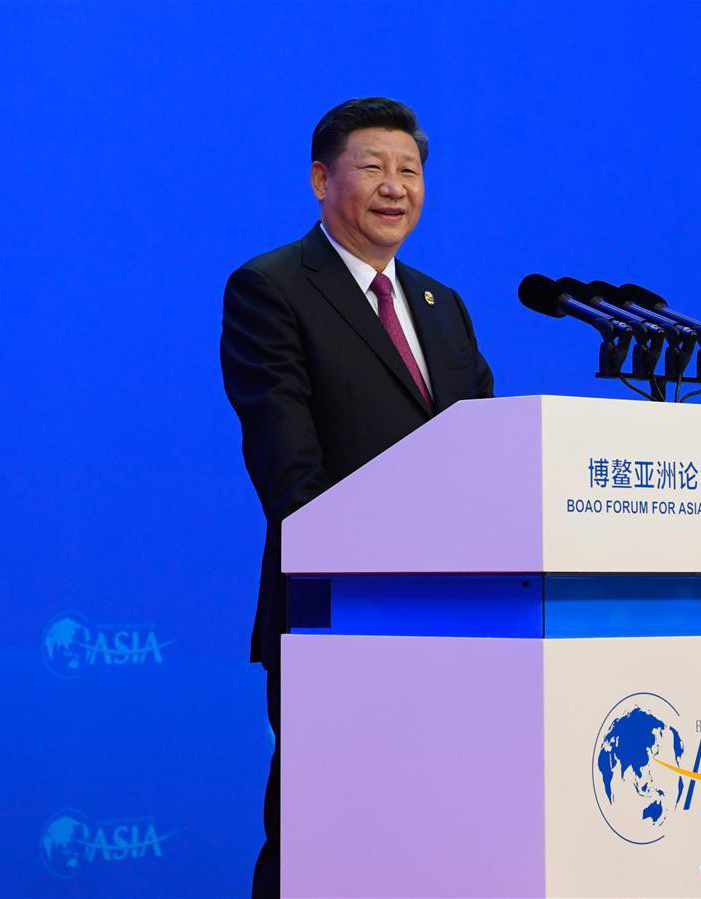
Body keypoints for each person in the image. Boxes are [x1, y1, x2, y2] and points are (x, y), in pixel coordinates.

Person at [220, 97, 494, 898]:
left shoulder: (444, 307)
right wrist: (377, 566)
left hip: (461, 622)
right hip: (336, 613)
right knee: (321, 837)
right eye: (372, 166)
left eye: (409, 170)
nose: (394, 186)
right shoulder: (270, 289)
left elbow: (482, 458)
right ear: (319, 179)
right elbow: (288, 464)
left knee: (435, 836)